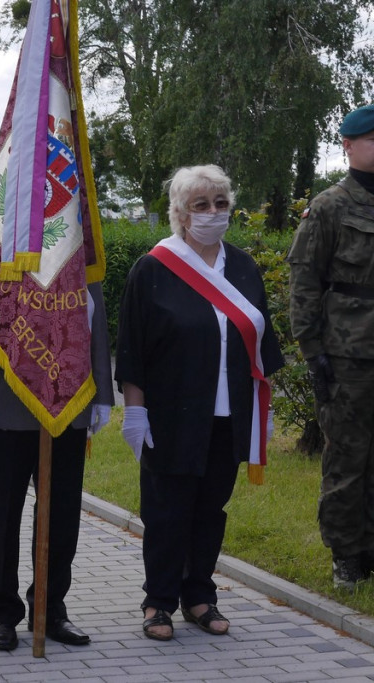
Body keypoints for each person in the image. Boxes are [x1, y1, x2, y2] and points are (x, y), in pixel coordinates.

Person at [115, 164, 283, 641]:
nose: (213, 213)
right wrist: (135, 410)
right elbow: (133, 349)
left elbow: (259, 347)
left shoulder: (244, 267)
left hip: (231, 416)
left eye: (220, 203)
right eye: (201, 205)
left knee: (211, 508)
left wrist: (261, 415)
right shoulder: (153, 268)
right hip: (169, 415)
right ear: (181, 214)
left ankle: (199, 597)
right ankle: (158, 602)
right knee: (167, 511)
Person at [0, 222, 114, 651]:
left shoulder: (77, 232)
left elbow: (93, 312)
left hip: (69, 391)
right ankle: (2, 612)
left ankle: (51, 606)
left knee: (62, 511)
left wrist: (102, 388)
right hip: (7, 397)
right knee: (3, 513)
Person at [288, 104, 374, 590]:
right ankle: (346, 554)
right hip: (348, 356)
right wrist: (312, 351)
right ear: (348, 144)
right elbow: (304, 283)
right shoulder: (329, 207)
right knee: (347, 457)